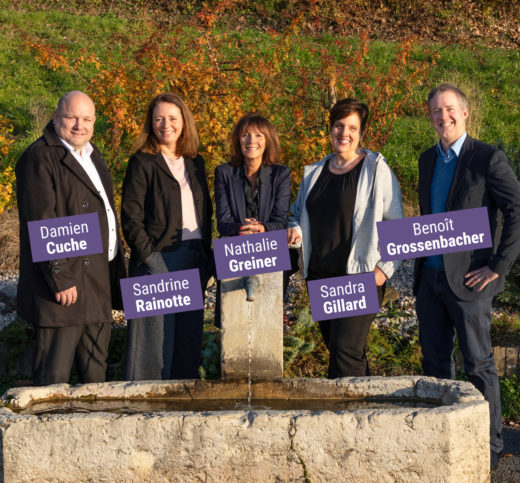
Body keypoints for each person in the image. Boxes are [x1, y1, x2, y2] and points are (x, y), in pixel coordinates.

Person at [414, 83, 520, 468]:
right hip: (430, 280)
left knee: (478, 365)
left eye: (449, 109)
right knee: (435, 366)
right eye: (436, 111)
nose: (443, 116)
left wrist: (498, 266)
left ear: (465, 112)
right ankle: (441, 444)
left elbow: (516, 210)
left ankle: (488, 448)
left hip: (472, 282)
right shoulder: (427, 159)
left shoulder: (487, 158)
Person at [287, 98, 403, 378]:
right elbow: (296, 214)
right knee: (344, 352)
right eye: (339, 125)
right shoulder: (314, 172)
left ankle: (342, 405)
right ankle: (371, 403)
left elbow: (396, 224)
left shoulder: (375, 168)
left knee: (344, 350)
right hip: (320, 277)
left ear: (361, 132)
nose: (344, 133)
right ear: (330, 129)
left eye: (352, 127)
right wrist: (296, 230)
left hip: (359, 276)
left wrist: (384, 269)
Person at [16, 91, 126, 385]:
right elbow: (41, 220)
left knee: (96, 378)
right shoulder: (38, 157)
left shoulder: (92, 153)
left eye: (87, 119)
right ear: (56, 118)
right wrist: (60, 277)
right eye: (72, 118)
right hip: (64, 288)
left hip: (97, 282)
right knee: (53, 377)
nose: (80, 125)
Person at [121, 92, 213, 380]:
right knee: (151, 351)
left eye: (172, 118)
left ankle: (181, 404)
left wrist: (206, 259)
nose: (166, 125)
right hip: (157, 260)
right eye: (159, 119)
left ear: (184, 122)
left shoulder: (195, 162)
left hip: (192, 259)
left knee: (186, 345)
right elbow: (131, 217)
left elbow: (205, 212)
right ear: (151, 123)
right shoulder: (141, 161)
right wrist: (149, 257)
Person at [214, 113, 291, 237]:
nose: (251, 141)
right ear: (238, 140)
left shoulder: (281, 174)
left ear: (267, 141)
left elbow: (281, 222)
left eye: (258, 135)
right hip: (236, 245)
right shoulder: (224, 173)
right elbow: (223, 223)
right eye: (245, 135)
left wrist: (262, 229)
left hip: (269, 244)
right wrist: (243, 229)